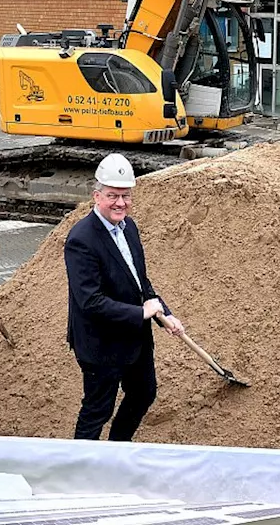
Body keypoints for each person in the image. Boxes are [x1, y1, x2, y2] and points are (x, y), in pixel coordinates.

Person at [64, 154, 184, 443]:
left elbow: (139, 280)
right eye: (112, 196)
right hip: (100, 342)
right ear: (97, 196)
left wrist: (163, 313)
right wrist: (140, 313)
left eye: (126, 196)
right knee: (97, 410)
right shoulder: (81, 239)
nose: (120, 203)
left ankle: (117, 447)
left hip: (134, 338)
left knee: (144, 393)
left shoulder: (129, 228)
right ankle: (81, 466)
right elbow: (89, 301)